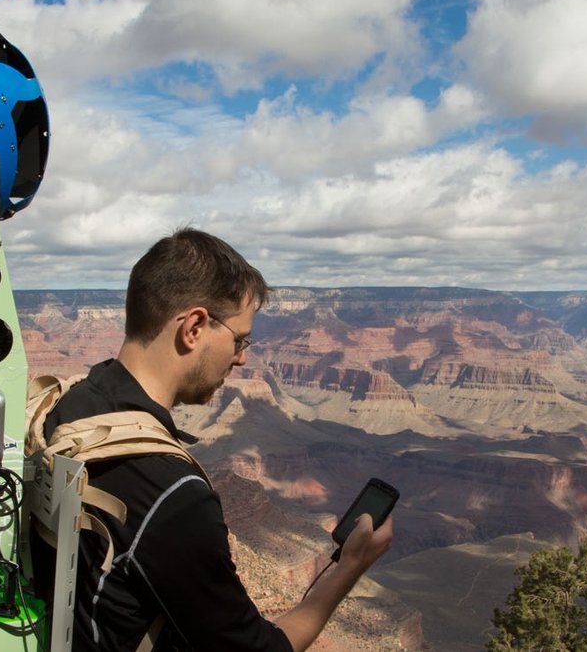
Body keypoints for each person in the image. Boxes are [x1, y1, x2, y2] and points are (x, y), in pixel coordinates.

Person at [31, 227, 394, 651]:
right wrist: (348, 568)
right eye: (239, 340)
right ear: (195, 327)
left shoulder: (71, 403)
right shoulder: (171, 494)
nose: (242, 357)